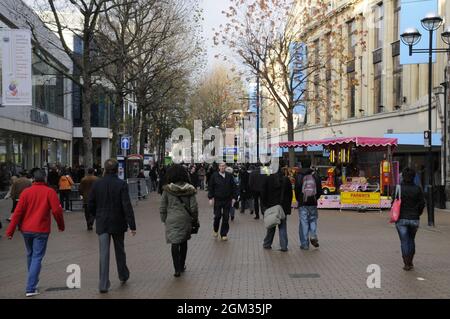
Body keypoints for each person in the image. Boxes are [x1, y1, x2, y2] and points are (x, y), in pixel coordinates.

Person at [5, 169, 65, 297]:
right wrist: (61, 225)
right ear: (45, 178)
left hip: (26, 229)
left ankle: (33, 280)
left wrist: (10, 231)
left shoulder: (26, 192)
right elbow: (56, 211)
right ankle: (31, 287)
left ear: (33, 179)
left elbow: (18, 213)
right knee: (37, 257)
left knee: (30, 255)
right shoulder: (50, 192)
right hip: (41, 229)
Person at [88, 159, 137, 293]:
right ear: (117, 170)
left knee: (103, 253)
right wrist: (132, 225)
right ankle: (123, 274)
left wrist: (96, 215)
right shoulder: (121, 184)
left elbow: (90, 203)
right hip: (118, 222)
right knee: (120, 250)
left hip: (102, 222)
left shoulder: (97, 184)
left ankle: (103, 284)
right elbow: (126, 205)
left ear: (104, 169)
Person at [160, 164, 199, 277]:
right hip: (185, 219)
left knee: (174, 242)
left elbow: (162, 207)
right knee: (183, 241)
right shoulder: (190, 189)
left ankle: (176, 268)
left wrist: (164, 219)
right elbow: (193, 207)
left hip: (171, 219)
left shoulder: (167, 190)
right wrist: (194, 219)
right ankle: (182, 265)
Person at [394, 167, 425, 271]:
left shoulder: (399, 188)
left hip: (401, 218)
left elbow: (393, 202)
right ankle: (410, 261)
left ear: (403, 176)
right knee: (411, 239)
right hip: (414, 218)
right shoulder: (418, 189)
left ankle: (406, 263)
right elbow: (422, 203)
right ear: (413, 177)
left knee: (404, 241)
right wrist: (418, 213)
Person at [261, 168, 292, 251]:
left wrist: (264, 207)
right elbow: (290, 195)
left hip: (271, 207)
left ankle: (267, 243)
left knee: (271, 226)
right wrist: (288, 208)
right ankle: (284, 246)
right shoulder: (286, 180)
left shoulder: (268, 179)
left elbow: (263, 193)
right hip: (283, 207)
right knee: (282, 227)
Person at [208, 162, 238, 241]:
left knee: (226, 217)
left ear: (225, 167)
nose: (222, 168)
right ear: (219, 167)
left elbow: (234, 187)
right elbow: (211, 187)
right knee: (217, 216)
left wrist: (234, 198)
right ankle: (215, 229)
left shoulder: (229, 176)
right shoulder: (214, 176)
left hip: (227, 199)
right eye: (221, 166)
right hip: (218, 199)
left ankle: (223, 234)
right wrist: (210, 198)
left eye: (224, 166)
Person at [295, 167, 323, 250]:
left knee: (304, 222)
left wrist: (299, 199)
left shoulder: (299, 176)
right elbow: (319, 190)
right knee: (313, 220)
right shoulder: (315, 175)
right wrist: (314, 198)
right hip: (313, 202)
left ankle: (305, 244)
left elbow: (297, 189)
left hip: (303, 202)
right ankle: (313, 235)